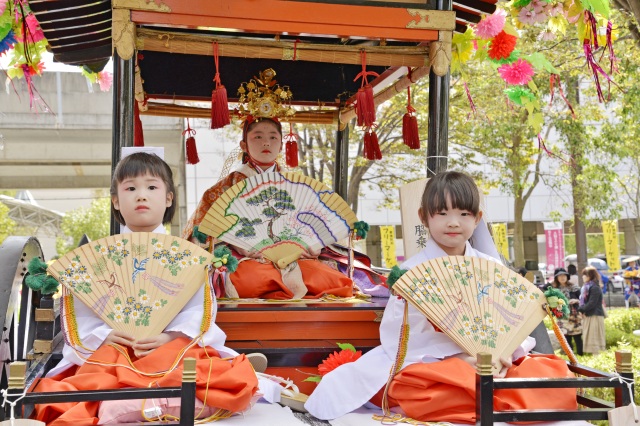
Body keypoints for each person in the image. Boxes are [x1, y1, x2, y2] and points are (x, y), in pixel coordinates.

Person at [305, 171, 575, 422]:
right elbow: (399, 340)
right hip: (440, 367)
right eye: (442, 213)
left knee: (551, 373)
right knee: (414, 386)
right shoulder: (411, 272)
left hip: (494, 363)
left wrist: (501, 355)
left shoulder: (492, 267)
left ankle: (485, 394)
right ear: (424, 217)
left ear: (477, 218)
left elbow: (508, 323)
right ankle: (494, 397)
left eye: (464, 213)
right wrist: (459, 360)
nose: (453, 222)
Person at [33, 152, 259, 424]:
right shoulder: (97, 257)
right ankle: (159, 401)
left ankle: (136, 403)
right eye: (130, 188)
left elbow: (197, 310)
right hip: (116, 347)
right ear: (116, 200)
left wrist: (170, 337)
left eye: (152, 187)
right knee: (106, 364)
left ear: (168, 198)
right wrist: (105, 335)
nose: (141, 195)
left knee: (186, 361)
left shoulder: (190, 256)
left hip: (172, 346)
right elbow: (85, 311)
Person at [182, 117, 353, 300]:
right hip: (248, 261)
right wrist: (238, 244)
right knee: (249, 280)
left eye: (273, 138)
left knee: (334, 281)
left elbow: (319, 225)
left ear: (281, 145)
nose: (266, 142)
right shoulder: (224, 189)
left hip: (296, 259)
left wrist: (313, 246)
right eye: (257, 137)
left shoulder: (297, 186)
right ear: (244, 145)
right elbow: (202, 233)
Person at [551, 268, 583, 356]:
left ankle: (580, 355)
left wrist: (576, 301)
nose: (562, 278)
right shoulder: (554, 290)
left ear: (567, 277)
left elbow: (582, 300)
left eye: (564, 275)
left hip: (574, 315)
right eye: (560, 276)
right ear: (556, 278)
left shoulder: (575, 288)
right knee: (566, 336)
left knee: (577, 336)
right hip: (562, 316)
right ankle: (570, 356)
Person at [578, 266, 606, 355]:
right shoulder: (587, 287)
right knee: (592, 338)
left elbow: (592, 303)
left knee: (595, 340)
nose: (583, 277)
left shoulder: (594, 287)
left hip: (594, 315)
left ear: (590, 276)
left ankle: (598, 362)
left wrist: (580, 309)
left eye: (585, 275)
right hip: (590, 315)